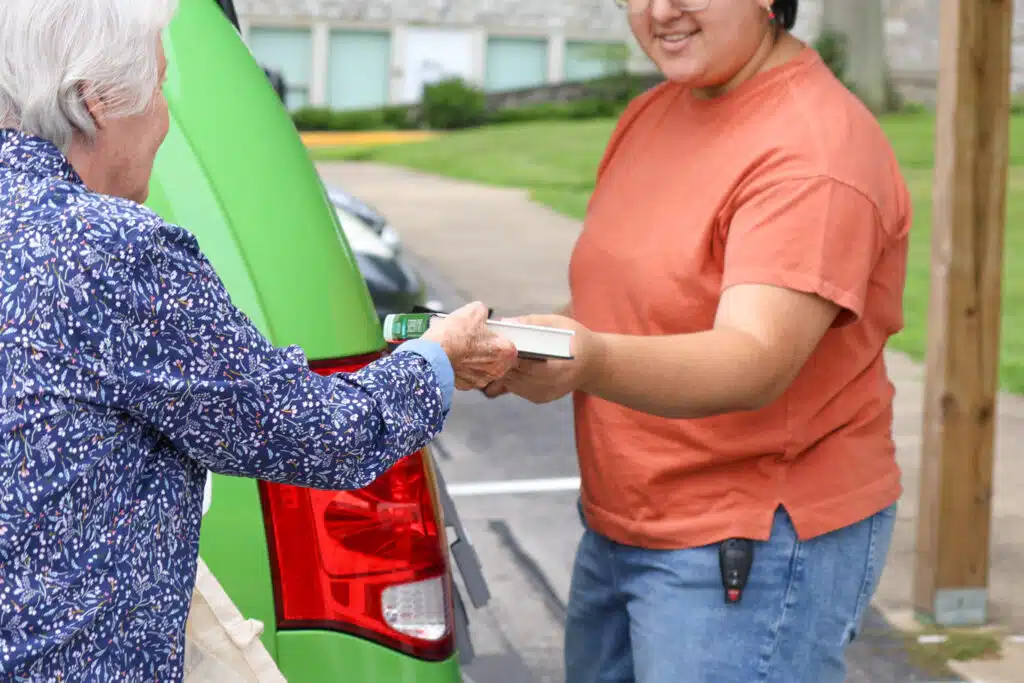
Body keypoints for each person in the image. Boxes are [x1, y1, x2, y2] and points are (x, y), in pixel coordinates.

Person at [0, 0, 516, 679]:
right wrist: (438, 356)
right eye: (159, 90)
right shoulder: (112, 252)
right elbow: (316, 431)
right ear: (97, 102)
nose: (163, 121)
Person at [486, 1, 910, 681]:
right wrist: (519, 343)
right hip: (622, 522)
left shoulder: (814, 148)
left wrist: (586, 359)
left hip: (747, 544)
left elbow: (753, 359)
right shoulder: (655, 112)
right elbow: (628, 303)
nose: (661, 10)